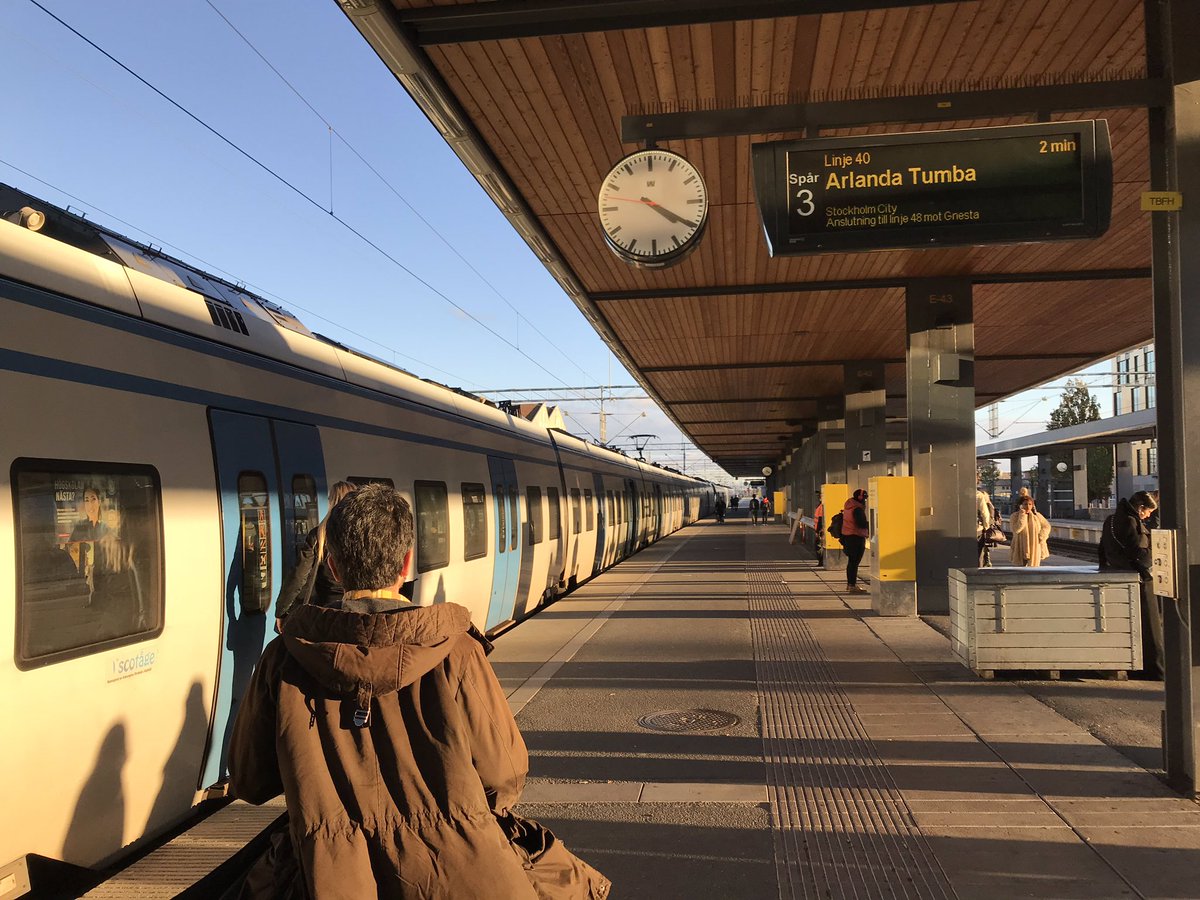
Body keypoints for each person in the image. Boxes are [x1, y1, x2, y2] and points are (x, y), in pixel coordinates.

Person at [229, 484, 610, 899]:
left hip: (329, 878)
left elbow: (250, 782)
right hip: (458, 876)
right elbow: (504, 777)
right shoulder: (458, 652)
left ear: (333, 568)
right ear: (407, 563)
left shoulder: (282, 658)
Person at [274, 480, 357, 622]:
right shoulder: (363, 536)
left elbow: (298, 576)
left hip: (324, 613)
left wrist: (281, 612)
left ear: (332, 502)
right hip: (355, 611)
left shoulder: (319, 535)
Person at [1101, 490, 1162, 679]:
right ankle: (1155, 669)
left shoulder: (1111, 519)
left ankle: (1147, 666)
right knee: (1150, 626)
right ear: (1140, 508)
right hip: (1139, 579)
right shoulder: (1130, 521)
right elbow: (1137, 553)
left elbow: (1102, 548)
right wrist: (1155, 548)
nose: (1149, 515)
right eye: (1148, 511)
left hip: (1117, 572)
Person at [1009, 495, 1051, 566]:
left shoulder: (1037, 516)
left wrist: (1041, 536)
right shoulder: (1015, 516)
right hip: (1020, 546)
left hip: (1035, 546)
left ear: (1033, 506)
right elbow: (1016, 529)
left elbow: (1046, 526)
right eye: (1025, 504)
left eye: (1030, 504)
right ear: (1020, 505)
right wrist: (1022, 516)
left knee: (1034, 569)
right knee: (1020, 569)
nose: (1028, 506)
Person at [841, 489, 869, 593]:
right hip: (856, 537)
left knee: (851, 562)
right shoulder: (857, 509)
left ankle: (850, 584)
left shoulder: (849, 506)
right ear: (860, 498)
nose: (865, 501)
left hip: (848, 537)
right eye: (865, 498)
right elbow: (861, 524)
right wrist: (869, 525)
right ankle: (852, 585)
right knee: (854, 562)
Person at [976, 485, 995, 568]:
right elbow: (985, 514)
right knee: (978, 553)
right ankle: (978, 569)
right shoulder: (978, 495)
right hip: (977, 529)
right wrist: (986, 527)